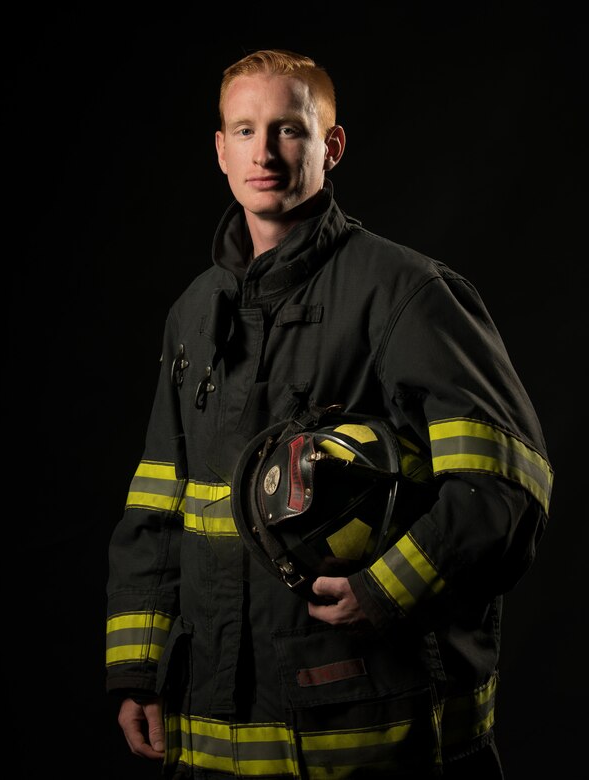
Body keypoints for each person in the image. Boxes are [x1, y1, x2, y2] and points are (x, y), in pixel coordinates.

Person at [105, 49, 553, 778]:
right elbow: (157, 508)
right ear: (220, 150)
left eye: (288, 129)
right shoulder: (193, 315)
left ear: (331, 145)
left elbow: (506, 486)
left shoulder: (407, 293)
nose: (264, 153)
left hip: (373, 739)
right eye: (244, 131)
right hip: (210, 734)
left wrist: (385, 590)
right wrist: (139, 670)